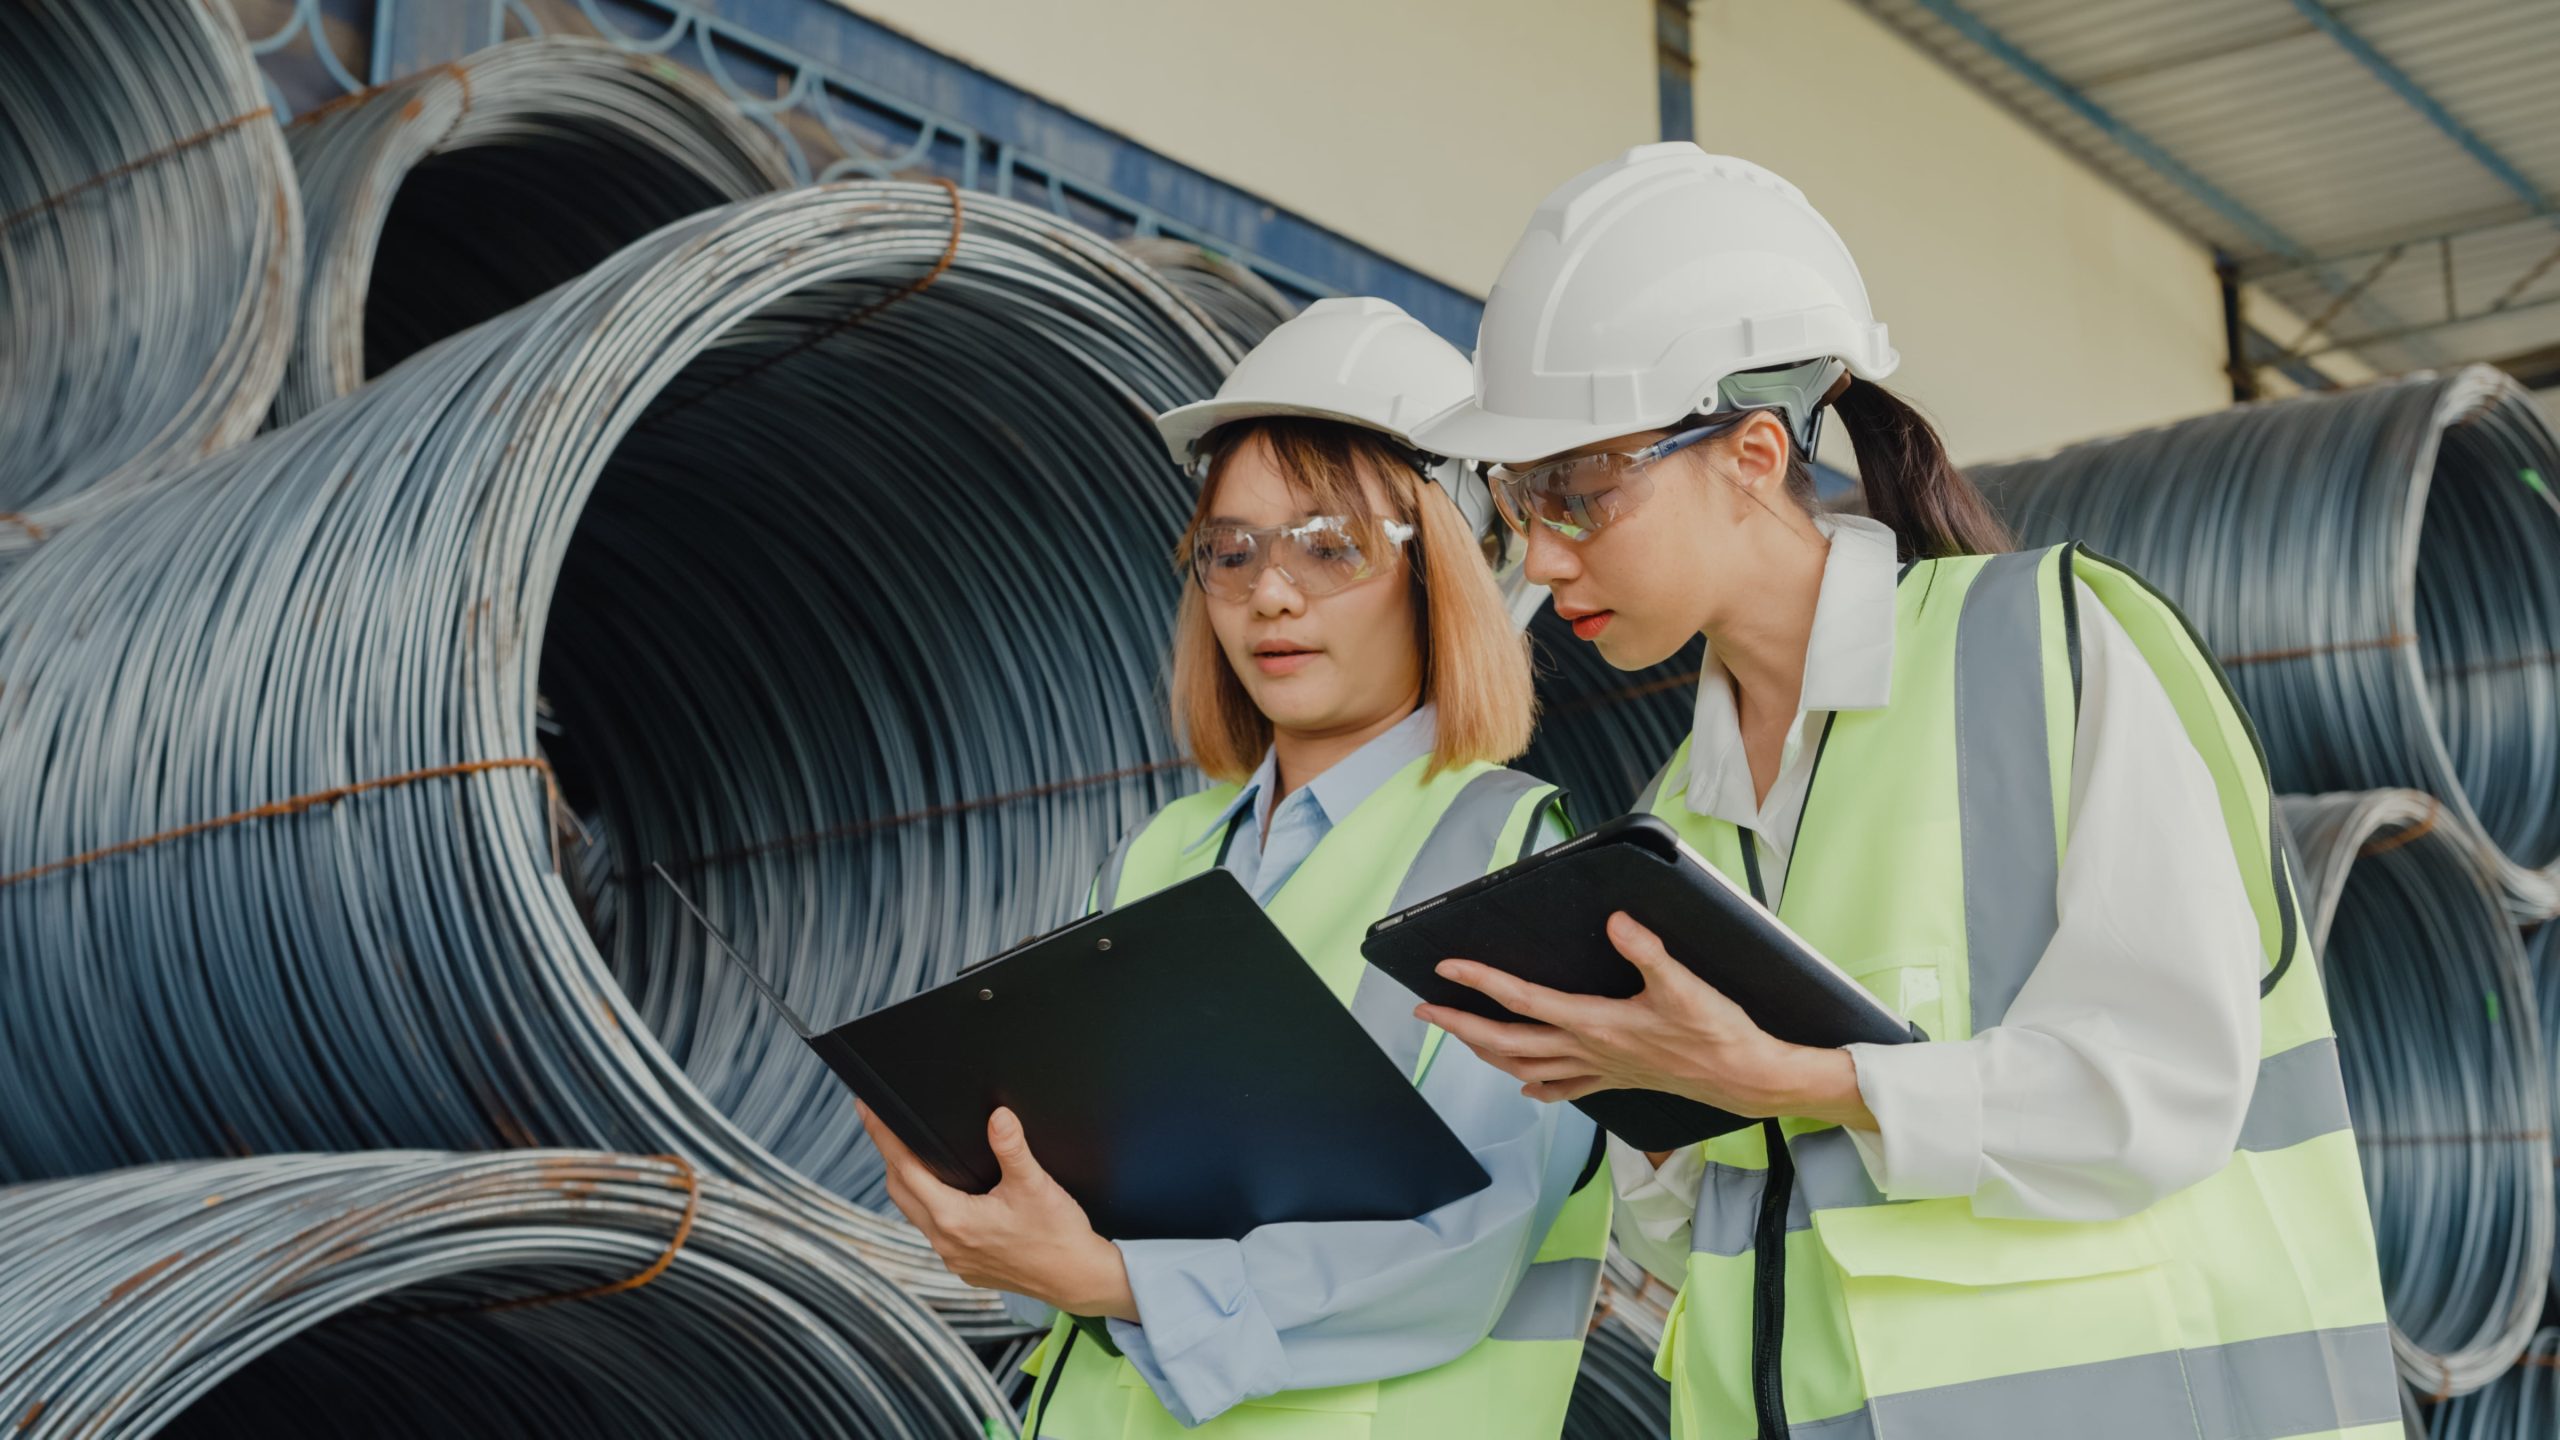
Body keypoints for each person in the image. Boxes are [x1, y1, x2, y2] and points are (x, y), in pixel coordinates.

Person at [1409, 144, 2395, 1439]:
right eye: (1514, 499)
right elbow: (1706, 1228)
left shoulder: (2051, 646)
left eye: (1577, 495)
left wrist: (1805, 1080)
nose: (1537, 553)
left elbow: (2167, 1086)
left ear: (1754, 453)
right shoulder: (1674, 820)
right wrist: (1633, 1099)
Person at [857, 296, 1612, 1438]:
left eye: (1331, 545)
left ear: (1448, 566)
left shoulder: (1512, 858)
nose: (1271, 592)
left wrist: (1113, 1282)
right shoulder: (1161, 853)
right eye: (1231, 549)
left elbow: (1466, 1246)